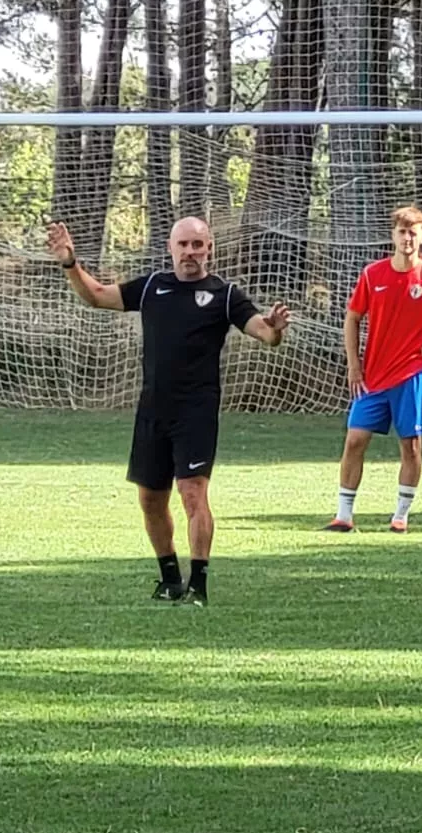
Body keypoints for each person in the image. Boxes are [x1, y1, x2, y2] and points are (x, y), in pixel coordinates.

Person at [45, 215, 290, 606]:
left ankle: (199, 586)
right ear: (170, 248)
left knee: (193, 494)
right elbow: (96, 295)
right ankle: (170, 579)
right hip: (152, 409)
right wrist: (70, 263)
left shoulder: (225, 295)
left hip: (196, 411)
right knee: (150, 499)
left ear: (209, 248)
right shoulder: (151, 287)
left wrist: (275, 327)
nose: (190, 252)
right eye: (183, 245)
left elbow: (264, 333)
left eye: (198, 244)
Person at [326, 206, 422, 534]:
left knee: (410, 445)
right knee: (354, 440)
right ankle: (343, 516)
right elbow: (352, 317)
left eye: (413, 232)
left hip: (411, 376)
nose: (407, 238)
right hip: (373, 377)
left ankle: (400, 516)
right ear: (393, 235)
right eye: (401, 231)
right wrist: (354, 364)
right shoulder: (373, 275)